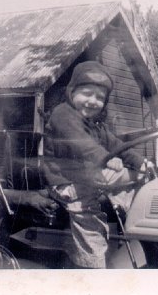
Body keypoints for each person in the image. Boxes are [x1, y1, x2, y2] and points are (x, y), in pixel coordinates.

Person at [43, 61, 148, 268]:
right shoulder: (63, 115)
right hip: (65, 181)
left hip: (86, 177)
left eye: (100, 97)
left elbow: (117, 145)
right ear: (72, 92)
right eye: (87, 93)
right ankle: (92, 266)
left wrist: (141, 161)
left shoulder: (96, 124)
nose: (93, 101)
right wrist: (108, 159)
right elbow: (82, 144)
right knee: (90, 220)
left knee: (139, 181)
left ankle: (134, 229)